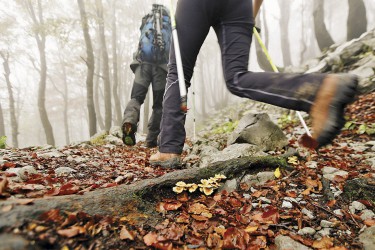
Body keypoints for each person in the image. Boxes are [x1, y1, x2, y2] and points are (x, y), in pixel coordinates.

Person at [149, 0, 358, 168]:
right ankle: (320, 89)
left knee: (179, 72)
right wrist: (251, 15)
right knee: (237, 77)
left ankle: (168, 148)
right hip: (239, 6)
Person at [122, 4, 171, 148]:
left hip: (142, 64)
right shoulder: (168, 24)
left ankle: (129, 122)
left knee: (136, 98)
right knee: (158, 105)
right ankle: (151, 140)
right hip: (161, 68)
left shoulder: (147, 20)